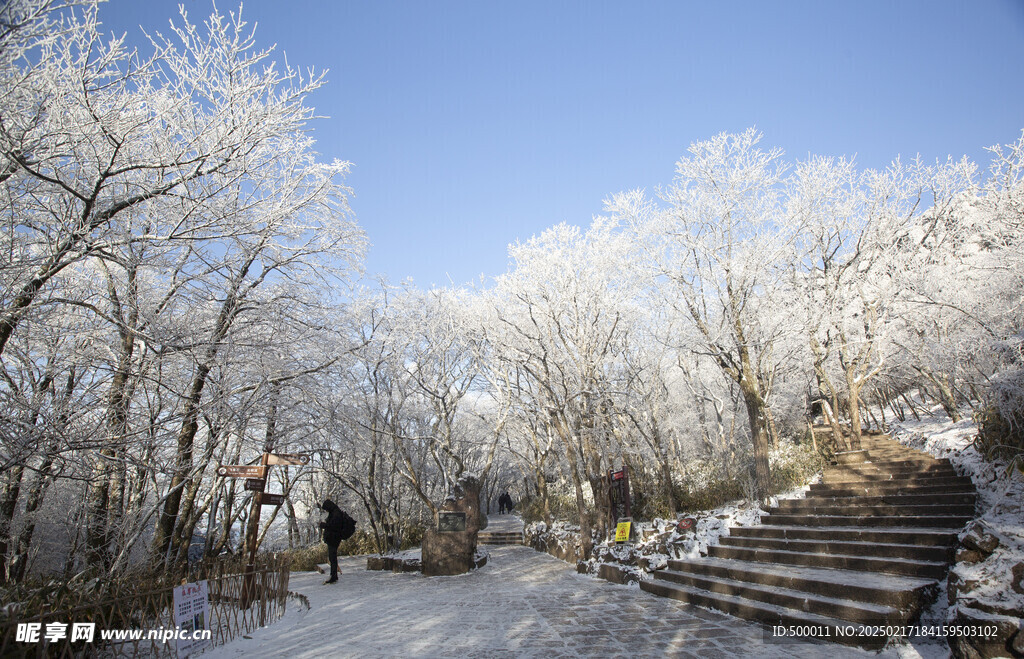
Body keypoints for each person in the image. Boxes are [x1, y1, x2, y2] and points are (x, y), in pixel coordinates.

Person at [320, 499, 347, 584]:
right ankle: (333, 575)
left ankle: (333, 575)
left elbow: (334, 526)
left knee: (333, 557)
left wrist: (324, 525)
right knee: (332, 557)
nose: (326, 511)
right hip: (333, 538)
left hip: (334, 538)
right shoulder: (335, 512)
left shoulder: (336, 513)